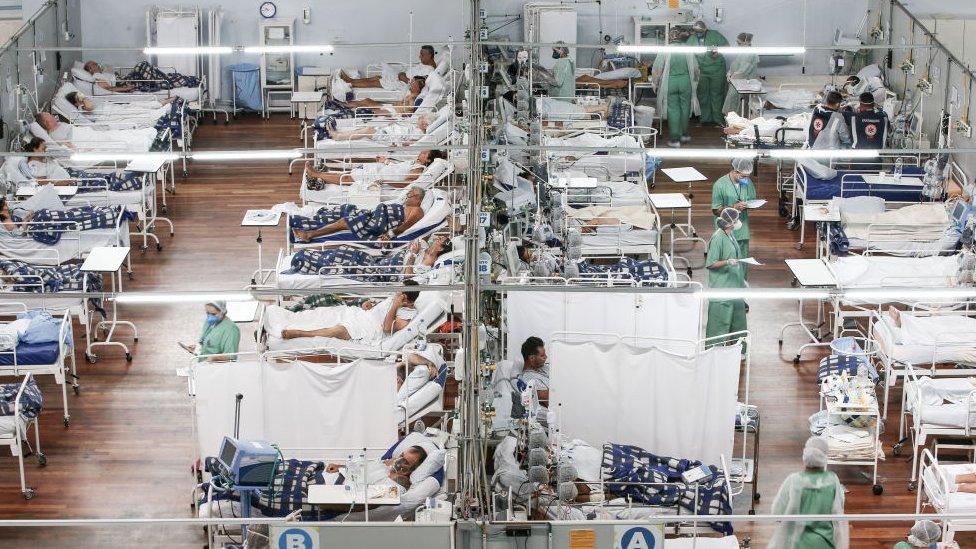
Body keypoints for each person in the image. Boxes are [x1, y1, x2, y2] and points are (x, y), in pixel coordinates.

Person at [768, 437, 849, 549]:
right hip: (825, 544)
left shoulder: (793, 480)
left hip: (796, 544)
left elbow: (777, 512)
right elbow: (840, 507)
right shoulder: (833, 480)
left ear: (804, 456)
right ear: (825, 457)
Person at [281, 280, 421, 340]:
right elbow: (383, 309)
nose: (395, 294)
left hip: (370, 329)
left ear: (406, 299)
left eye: (399, 293)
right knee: (327, 312)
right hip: (363, 315)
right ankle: (289, 316)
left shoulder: (406, 317)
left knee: (339, 330)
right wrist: (370, 305)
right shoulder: (397, 299)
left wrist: (396, 305)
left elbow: (386, 327)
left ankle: (299, 333)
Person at [291, 186, 428, 243]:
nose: (408, 194)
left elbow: (405, 226)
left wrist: (390, 234)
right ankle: (310, 221)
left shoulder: (417, 211)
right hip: (375, 215)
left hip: (380, 223)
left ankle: (309, 234)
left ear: (418, 198)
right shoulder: (406, 206)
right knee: (345, 210)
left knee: (344, 222)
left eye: (411, 193)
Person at [304, 149, 446, 190]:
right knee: (348, 174)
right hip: (379, 170)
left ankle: (315, 174)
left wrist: (385, 181)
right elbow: (398, 168)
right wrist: (386, 161)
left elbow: (406, 184)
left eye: (424, 153)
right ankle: (321, 175)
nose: (421, 152)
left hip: (379, 177)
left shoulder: (418, 170)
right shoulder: (414, 162)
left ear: (428, 160)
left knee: (347, 179)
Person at [705, 208, 747, 341]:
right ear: (730, 223)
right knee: (718, 327)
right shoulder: (718, 238)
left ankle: (740, 350)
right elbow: (711, 263)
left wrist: (741, 280)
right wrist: (727, 262)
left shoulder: (730, 234)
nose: (738, 222)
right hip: (721, 290)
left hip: (735, 287)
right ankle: (713, 353)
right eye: (736, 220)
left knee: (738, 324)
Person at [652, 28, 697, 147]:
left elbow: (657, 69)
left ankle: (674, 139)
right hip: (686, 82)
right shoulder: (687, 49)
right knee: (685, 108)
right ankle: (684, 135)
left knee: (673, 110)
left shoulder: (665, 50)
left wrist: (655, 83)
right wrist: (695, 83)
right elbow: (696, 70)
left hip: (670, 82)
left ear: (670, 37)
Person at [324, 444, 428, 493]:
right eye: (401, 455)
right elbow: (361, 469)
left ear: (412, 469)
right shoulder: (384, 463)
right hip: (334, 475)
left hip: (336, 486)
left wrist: (392, 473)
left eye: (406, 461)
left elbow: (364, 488)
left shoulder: (399, 484)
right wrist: (340, 467)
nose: (399, 460)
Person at [711, 157, 757, 262]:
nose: (745, 179)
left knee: (742, 262)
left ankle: (742, 279)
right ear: (735, 171)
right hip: (726, 230)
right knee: (728, 263)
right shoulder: (720, 185)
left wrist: (749, 205)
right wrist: (733, 207)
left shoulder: (746, 182)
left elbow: (752, 199)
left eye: (747, 176)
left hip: (742, 230)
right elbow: (716, 210)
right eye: (743, 176)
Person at [686, 20, 729, 126]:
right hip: (701, 70)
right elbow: (687, 55)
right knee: (702, 95)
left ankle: (718, 119)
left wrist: (719, 52)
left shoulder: (714, 35)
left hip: (717, 69)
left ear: (705, 29)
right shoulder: (691, 40)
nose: (698, 33)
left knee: (717, 94)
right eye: (696, 31)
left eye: (700, 31)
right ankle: (704, 119)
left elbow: (727, 46)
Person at [340, 45, 438, 88]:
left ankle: (350, 84)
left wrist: (403, 77)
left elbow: (416, 84)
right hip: (400, 78)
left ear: (430, 56)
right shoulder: (425, 64)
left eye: (422, 55)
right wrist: (402, 74)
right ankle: (350, 80)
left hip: (402, 85)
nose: (419, 57)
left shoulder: (429, 71)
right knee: (377, 77)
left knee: (377, 82)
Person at [722, 33, 759, 115]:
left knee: (736, 106)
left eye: (739, 43)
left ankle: (737, 124)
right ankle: (733, 123)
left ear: (746, 42)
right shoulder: (743, 52)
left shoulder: (749, 53)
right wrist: (729, 73)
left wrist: (731, 77)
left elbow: (743, 71)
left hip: (742, 84)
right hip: (737, 83)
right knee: (732, 105)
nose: (738, 45)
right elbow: (735, 65)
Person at [519, 336, 549, 402]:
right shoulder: (529, 379)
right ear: (532, 358)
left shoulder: (543, 367)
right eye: (542, 356)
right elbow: (552, 400)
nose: (546, 357)